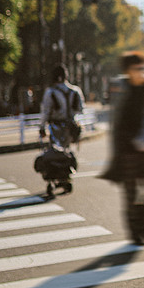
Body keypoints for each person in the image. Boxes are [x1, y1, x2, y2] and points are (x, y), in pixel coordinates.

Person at [101, 51, 144, 246]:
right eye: (137, 68)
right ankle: (135, 232)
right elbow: (116, 123)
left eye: (143, 68)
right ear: (127, 71)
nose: (141, 72)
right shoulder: (121, 89)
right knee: (131, 194)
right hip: (128, 151)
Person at [39, 64, 85, 193]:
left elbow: (46, 111)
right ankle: (66, 177)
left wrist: (42, 127)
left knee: (55, 152)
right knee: (67, 151)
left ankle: (54, 177)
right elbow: (80, 110)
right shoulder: (75, 91)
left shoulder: (51, 92)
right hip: (71, 127)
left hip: (56, 126)